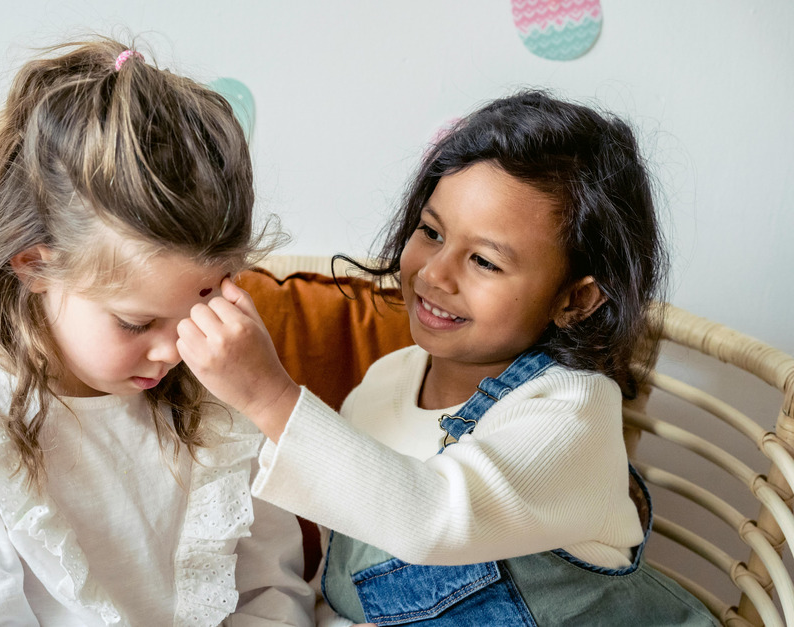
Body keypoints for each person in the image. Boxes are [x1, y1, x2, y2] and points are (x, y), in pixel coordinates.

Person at [175, 91, 718, 625]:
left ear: (574, 299)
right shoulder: (386, 382)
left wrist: (268, 396)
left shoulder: (570, 413)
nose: (435, 274)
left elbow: (433, 519)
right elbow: (346, 580)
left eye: (483, 261)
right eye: (430, 232)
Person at [0, 37, 313, 626]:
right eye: (137, 322)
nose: (173, 349)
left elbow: (271, 591)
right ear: (37, 266)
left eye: (203, 305)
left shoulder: (218, 397)